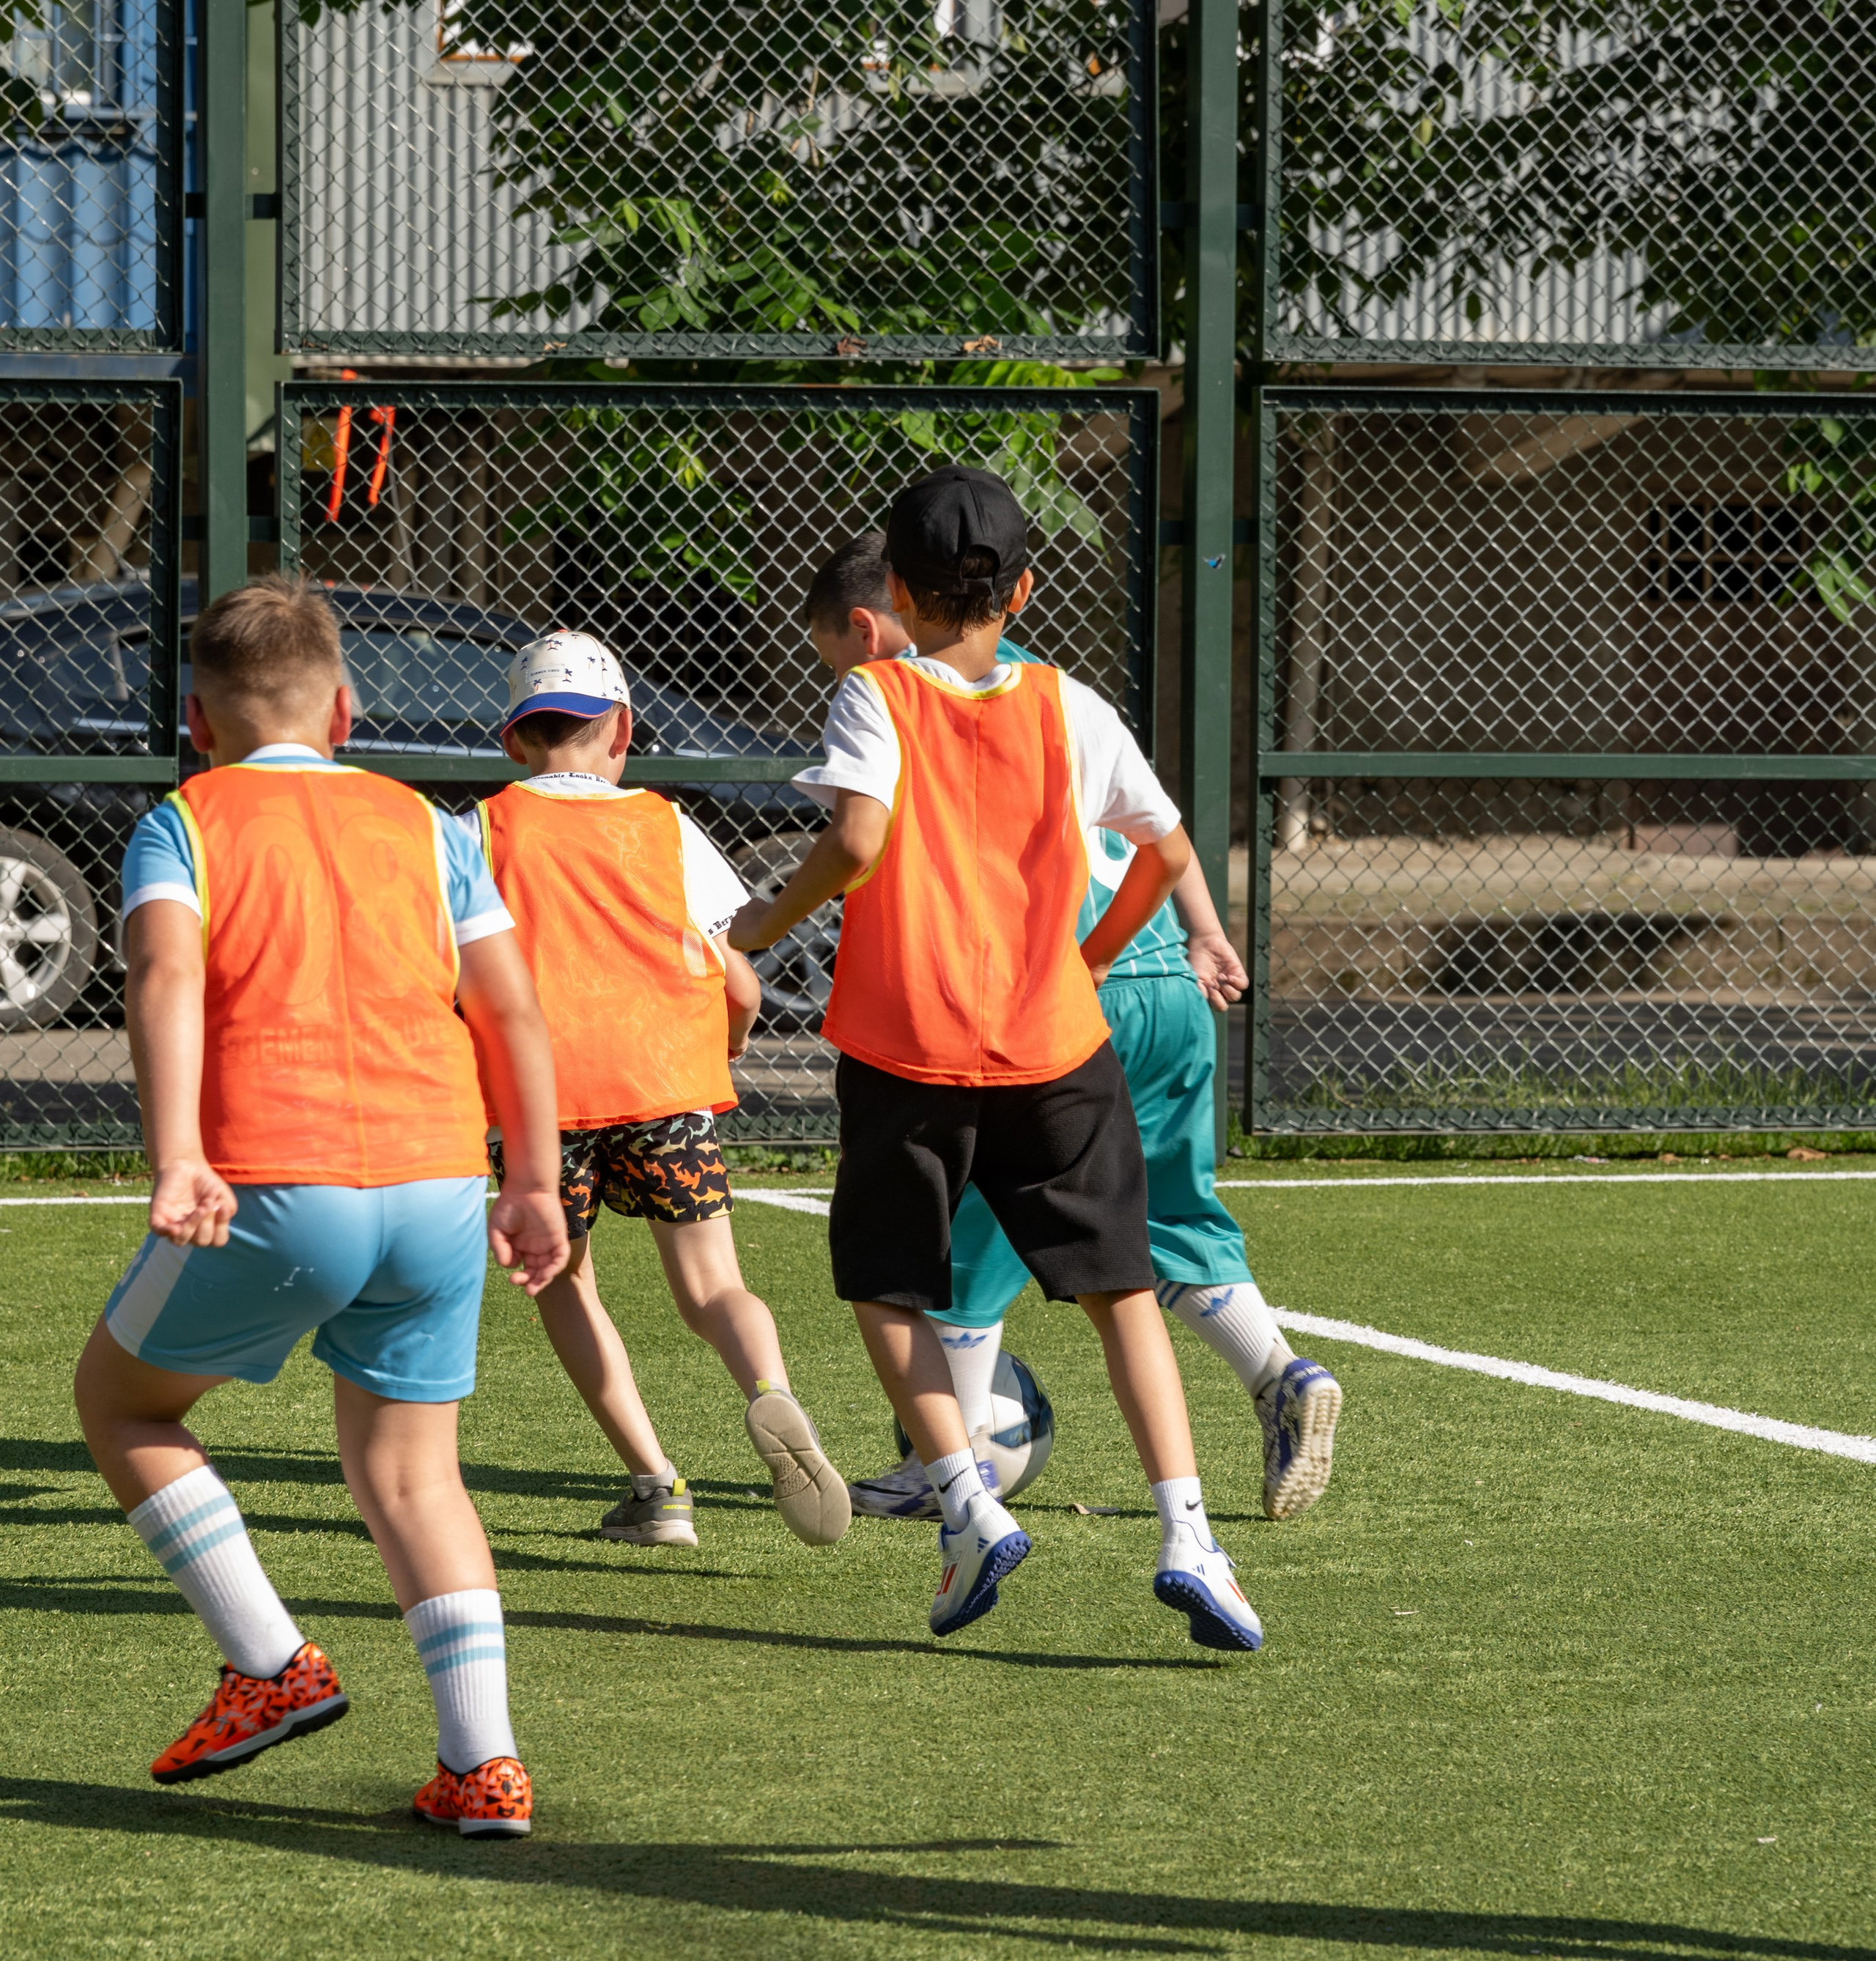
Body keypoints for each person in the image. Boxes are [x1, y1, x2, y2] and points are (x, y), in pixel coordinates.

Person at [732, 470, 1261, 1652]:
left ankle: (966, 1505)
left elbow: (858, 838)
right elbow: (1165, 850)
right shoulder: (1071, 704)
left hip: (909, 1045)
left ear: (899, 596)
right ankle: (1192, 1537)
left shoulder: (879, 694)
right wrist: (1086, 959)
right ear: (1024, 588)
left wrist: (761, 926)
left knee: (883, 1281)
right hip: (1052, 1040)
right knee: (1123, 1289)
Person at [73, 576, 569, 1836]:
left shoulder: (185, 819)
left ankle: (267, 1663)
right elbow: (510, 1006)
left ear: (197, 722)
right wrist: (534, 1181)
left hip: (281, 1181)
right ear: (345, 709)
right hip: (442, 1185)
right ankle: (486, 1767)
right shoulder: (427, 822)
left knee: (121, 1402)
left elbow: (166, 973)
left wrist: (177, 1151)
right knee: (415, 1475)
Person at [805, 532, 1342, 1526]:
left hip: (1047, 997)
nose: (841, 678)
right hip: (1165, 979)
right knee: (1164, 1220)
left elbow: (885, 852)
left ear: (886, 617)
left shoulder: (910, 705)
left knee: (967, 1233)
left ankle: (954, 1470)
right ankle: (1278, 1374)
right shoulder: (1060, 698)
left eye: (837, 657)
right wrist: (1207, 934)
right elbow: (1157, 836)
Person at [479, 632, 849, 1550]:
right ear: (624, 730)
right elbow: (740, 983)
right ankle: (771, 1393)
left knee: (565, 1284)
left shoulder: (477, 831)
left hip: (538, 1103)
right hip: (666, 1086)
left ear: (513, 740)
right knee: (715, 1286)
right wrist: (719, 1046)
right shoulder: (665, 823)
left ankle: (656, 1487)